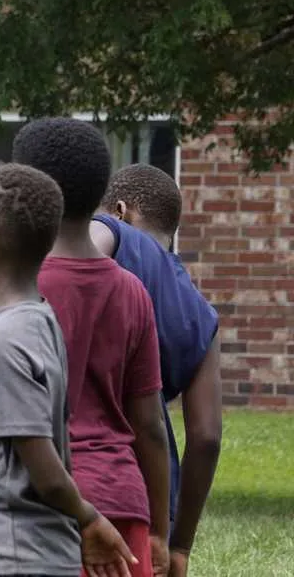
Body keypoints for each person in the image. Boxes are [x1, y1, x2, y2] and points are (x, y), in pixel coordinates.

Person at [0, 119, 171, 577]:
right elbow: (150, 426)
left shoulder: (5, 292)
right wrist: (159, 529)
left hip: (36, 514)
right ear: (101, 190)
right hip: (122, 504)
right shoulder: (132, 291)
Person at [0, 163, 136, 577]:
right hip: (17, 554)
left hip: (14, 559)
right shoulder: (40, 319)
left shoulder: (4, 338)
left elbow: (42, 463)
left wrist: (89, 519)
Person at [92, 164, 222, 577]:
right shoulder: (201, 312)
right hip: (152, 488)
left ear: (120, 208)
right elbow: (206, 437)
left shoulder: (109, 232)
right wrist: (179, 544)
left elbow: (73, 262)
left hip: (87, 466)